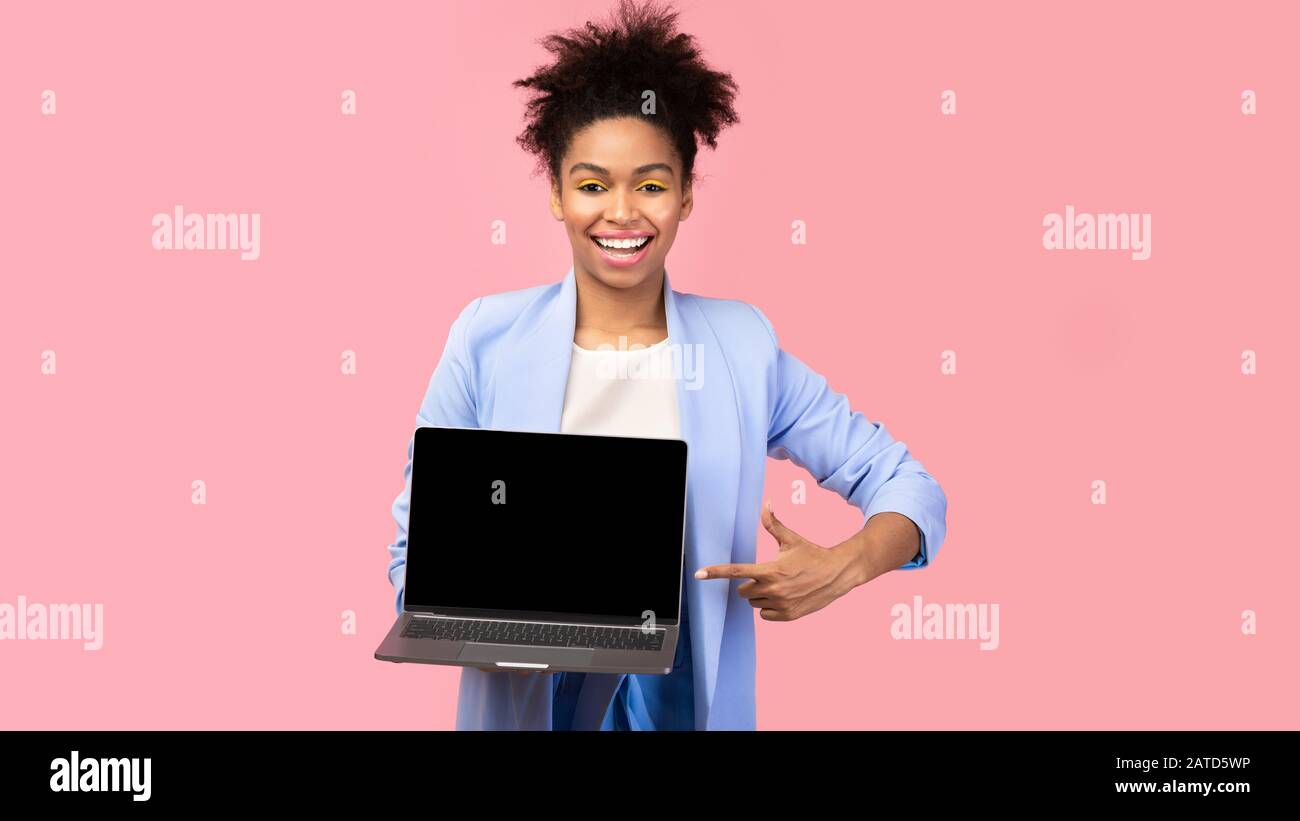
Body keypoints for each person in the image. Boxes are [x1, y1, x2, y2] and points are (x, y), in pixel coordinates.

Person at [385, 0, 948, 730]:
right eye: (592, 185)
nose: (622, 212)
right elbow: (413, 554)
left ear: (685, 194)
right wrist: (475, 620)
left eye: (650, 184)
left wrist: (845, 565)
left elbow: (910, 484)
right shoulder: (486, 339)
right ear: (556, 193)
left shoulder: (741, 346)